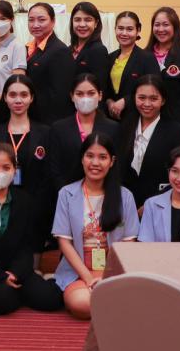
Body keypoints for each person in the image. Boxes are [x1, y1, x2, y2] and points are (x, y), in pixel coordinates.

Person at [0, 144, 65, 315]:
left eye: (6, 167)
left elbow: (27, 246)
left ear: (14, 170)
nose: (0, 172)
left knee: (51, 298)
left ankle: (18, 288)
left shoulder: (25, 201)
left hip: (15, 269)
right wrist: (0, 276)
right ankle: (13, 291)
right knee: (4, 301)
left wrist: (15, 273)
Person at [52, 133, 139, 320]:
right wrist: (89, 278)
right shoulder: (67, 194)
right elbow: (64, 242)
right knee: (82, 303)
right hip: (79, 272)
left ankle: (110, 305)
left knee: (134, 299)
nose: (95, 163)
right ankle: (113, 309)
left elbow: (129, 242)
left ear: (112, 161)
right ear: (82, 159)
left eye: (102, 157)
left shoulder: (125, 196)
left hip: (114, 271)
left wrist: (107, 275)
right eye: (90, 156)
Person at [0, 75, 58, 241]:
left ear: (31, 98)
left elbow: (48, 175)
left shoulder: (46, 132)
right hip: (0, 206)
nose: (18, 100)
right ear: (4, 97)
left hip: (36, 209)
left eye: (24, 95)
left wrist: (37, 205)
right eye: (12, 95)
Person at [116, 75, 180, 207]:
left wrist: (151, 204)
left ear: (163, 100)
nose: (147, 104)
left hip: (160, 206)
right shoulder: (125, 126)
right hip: (124, 205)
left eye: (153, 99)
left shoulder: (176, 131)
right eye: (141, 98)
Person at [51, 74, 119, 186]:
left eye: (91, 93)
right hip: (67, 192)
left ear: (100, 95)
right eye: (79, 94)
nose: (85, 99)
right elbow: (54, 170)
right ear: (72, 96)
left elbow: (116, 168)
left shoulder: (113, 128)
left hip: (104, 191)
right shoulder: (59, 128)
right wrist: (68, 193)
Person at [146, 7, 180, 123]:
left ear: (175, 27)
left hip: (177, 122)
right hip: (148, 120)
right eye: (157, 25)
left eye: (166, 25)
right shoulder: (145, 54)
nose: (161, 29)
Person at [103, 11, 158, 120]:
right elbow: (105, 87)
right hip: (111, 118)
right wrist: (109, 102)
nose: (124, 33)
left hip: (137, 117)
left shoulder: (147, 58)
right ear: (115, 29)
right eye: (120, 28)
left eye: (129, 29)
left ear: (138, 30)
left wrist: (126, 101)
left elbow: (155, 89)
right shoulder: (109, 57)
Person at [24, 2, 74, 123]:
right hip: (30, 116)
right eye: (31, 20)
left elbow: (60, 95)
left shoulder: (60, 51)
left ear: (53, 21)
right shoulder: (28, 47)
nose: (35, 25)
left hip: (47, 120)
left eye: (41, 20)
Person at [69, 1, 110, 92]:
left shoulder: (98, 50)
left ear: (96, 23)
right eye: (77, 20)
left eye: (88, 20)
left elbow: (100, 87)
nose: (82, 24)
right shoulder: (69, 49)